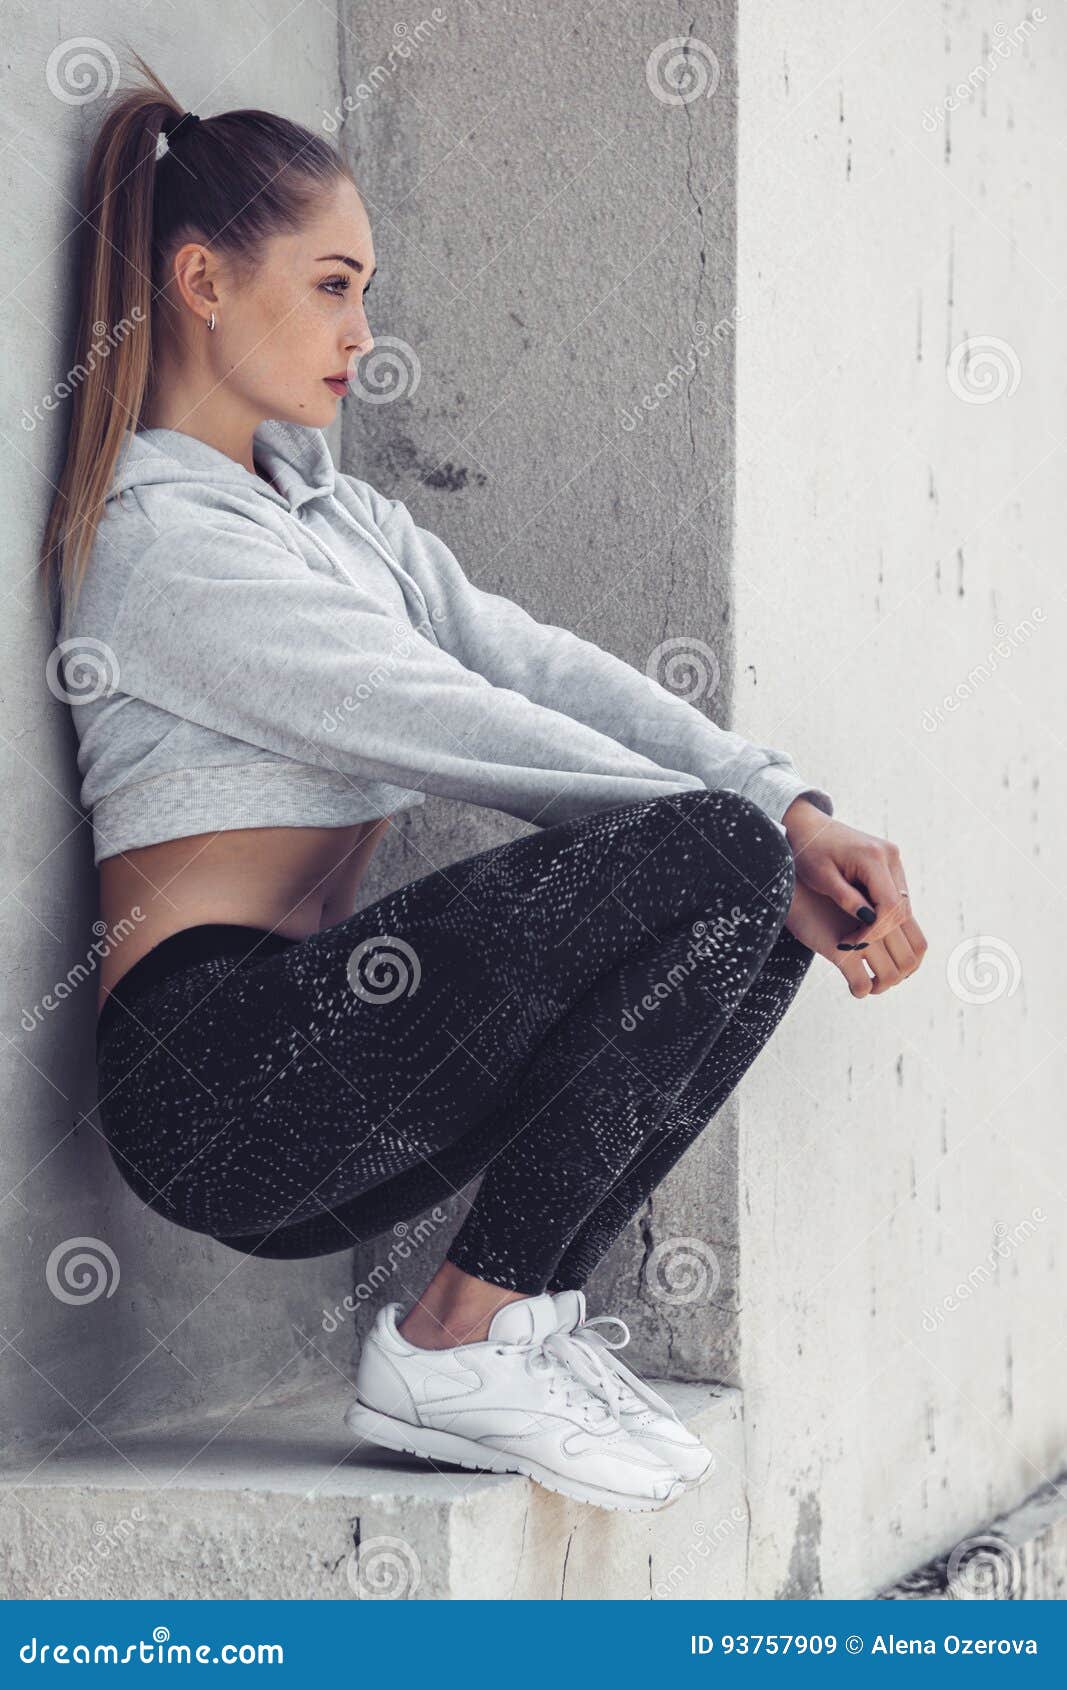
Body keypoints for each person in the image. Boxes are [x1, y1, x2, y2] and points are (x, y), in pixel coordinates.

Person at [41, 60, 926, 1514]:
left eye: (364, 290)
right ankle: (456, 1339)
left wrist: (794, 808)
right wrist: (749, 838)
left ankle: (508, 1317)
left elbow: (546, 668)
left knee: (757, 888)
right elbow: (461, 722)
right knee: (722, 864)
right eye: (332, 285)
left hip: (341, 1066)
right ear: (201, 279)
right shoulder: (163, 546)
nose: (362, 334)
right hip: (217, 1085)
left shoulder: (337, 514)